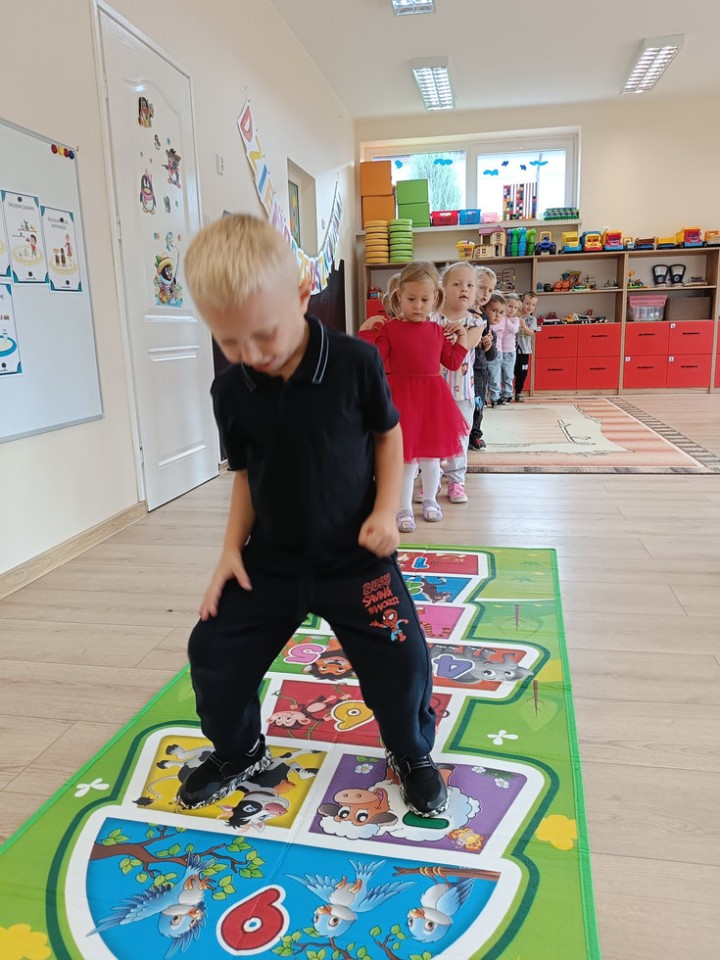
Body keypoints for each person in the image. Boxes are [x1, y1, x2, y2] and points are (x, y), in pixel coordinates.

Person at [177, 215, 449, 819]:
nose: (249, 355)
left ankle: (410, 751)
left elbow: (388, 434)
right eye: (229, 342)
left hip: (355, 557)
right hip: (272, 560)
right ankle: (240, 750)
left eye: (263, 335)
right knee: (213, 650)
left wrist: (386, 510)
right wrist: (230, 550)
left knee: (401, 660)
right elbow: (245, 474)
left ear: (302, 295)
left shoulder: (355, 362)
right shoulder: (232, 391)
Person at [359, 261, 468, 532]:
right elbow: (374, 360)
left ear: (435, 299)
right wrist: (366, 331)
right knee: (405, 460)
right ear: (399, 296)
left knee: (432, 459)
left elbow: (452, 362)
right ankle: (404, 508)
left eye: (424, 300)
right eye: (411, 299)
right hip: (401, 401)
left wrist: (463, 338)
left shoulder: (437, 330)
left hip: (432, 401)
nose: (418, 306)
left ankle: (430, 500)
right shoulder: (390, 328)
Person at [436, 262, 488, 503]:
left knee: (459, 437)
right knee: (434, 436)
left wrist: (455, 335)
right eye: (457, 284)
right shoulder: (431, 318)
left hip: (462, 392)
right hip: (434, 391)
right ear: (443, 288)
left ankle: (456, 481)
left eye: (470, 285)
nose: (464, 289)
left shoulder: (477, 322)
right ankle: (433, 479)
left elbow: (464, 346)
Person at [469, 266, 497, 451]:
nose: (486, 293)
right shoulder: (462, 313)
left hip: (480, 369)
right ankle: (460, 434)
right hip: (462, 368)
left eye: (490, 290)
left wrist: (488, 345)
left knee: (478, 403)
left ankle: (475, 434)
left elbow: (491, 354)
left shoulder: (485, 317)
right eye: (482, 287)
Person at [485, 292, 510, 406]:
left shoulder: (503, 322)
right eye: (494, 311)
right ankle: (484, 397)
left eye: (501, 312)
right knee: (484, 376)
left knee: (495, 376)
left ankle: (495, 397)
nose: (497, 315)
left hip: (497, 352)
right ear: (485, 309)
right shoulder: (483, 323)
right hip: (483, 354)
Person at [514, 290, 540, 401]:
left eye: (533, 305)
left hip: (524, 351)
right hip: (511, 349)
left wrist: (524, 326)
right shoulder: (515, 316)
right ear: (521, 303)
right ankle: (506, 392)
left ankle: (518, 392)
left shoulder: (532, 319)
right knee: (509, 371)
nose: (530, 307)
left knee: (522, 373)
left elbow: (531, 333)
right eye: (527, 303)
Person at [499, 293, 522, 402]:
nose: (512, 309)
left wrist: (505, 319)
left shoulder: (515, 320)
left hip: (510, 352)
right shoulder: (500, 318)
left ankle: (508, 394)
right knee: (498, 374)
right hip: (499, 350)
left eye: (515, 307)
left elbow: (514, 330)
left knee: (508, 374)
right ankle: (499, 394)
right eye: (510, 306)